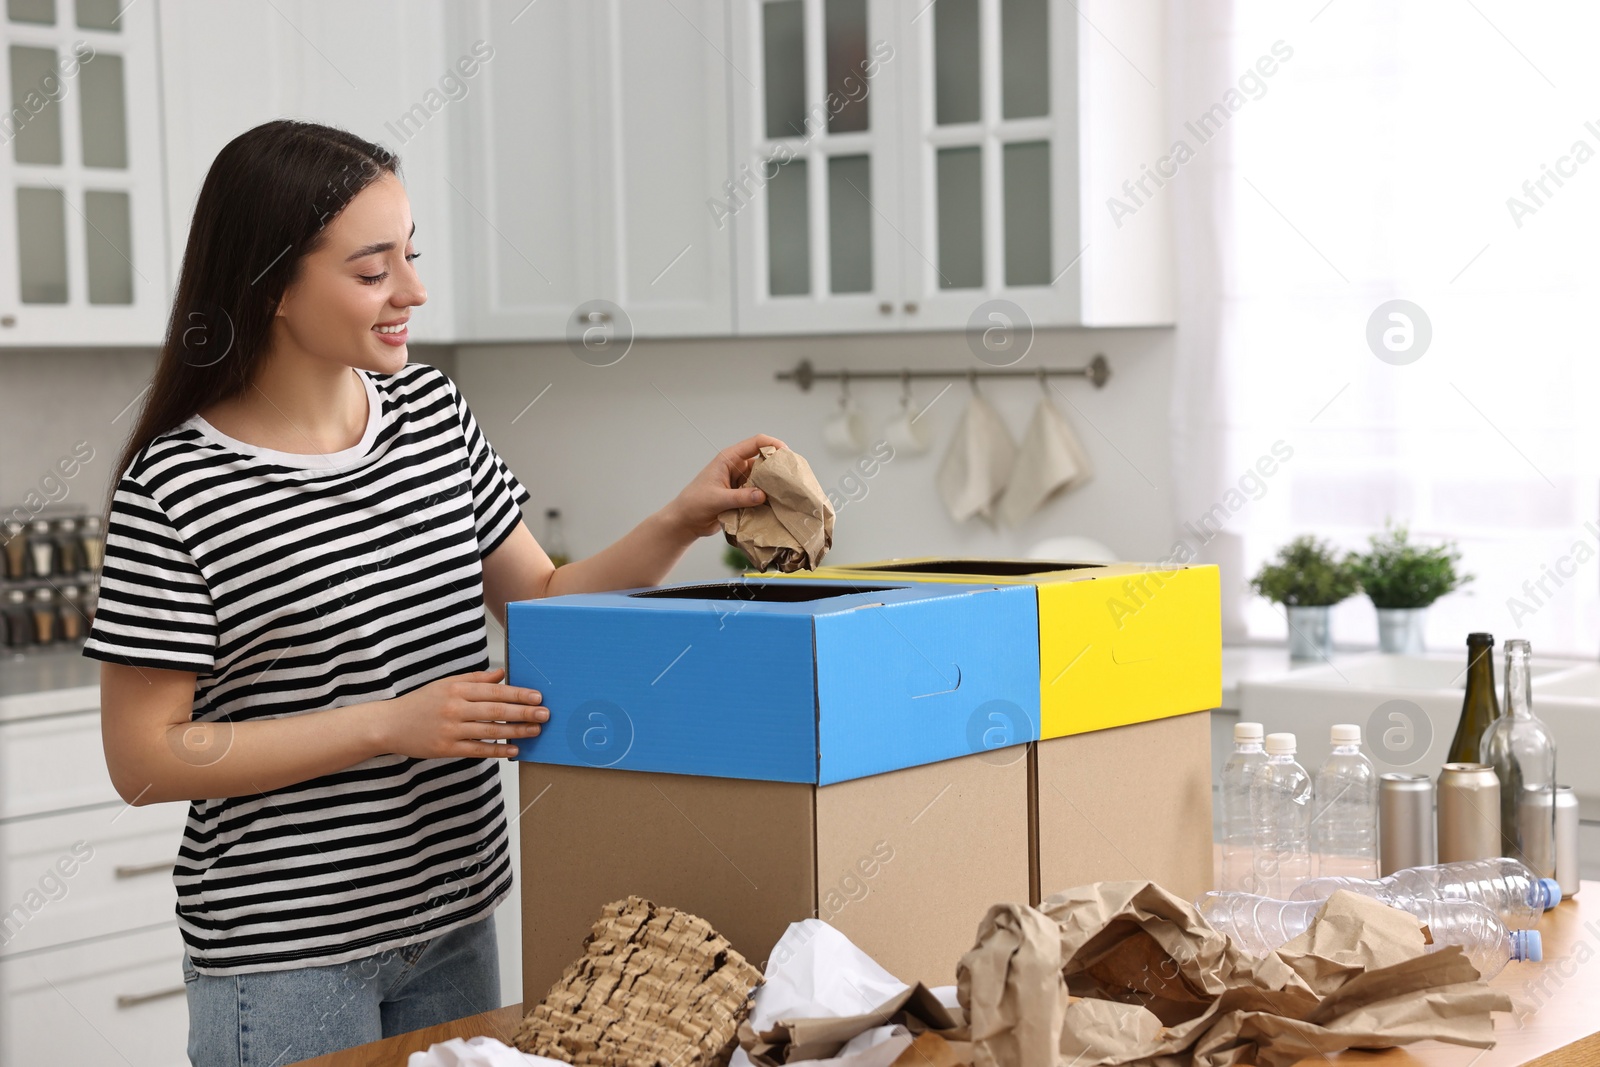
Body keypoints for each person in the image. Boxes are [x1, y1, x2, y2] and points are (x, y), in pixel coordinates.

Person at [84, 119, 784, 1067]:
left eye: (409, 257)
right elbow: (144, 758)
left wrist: (681, 518)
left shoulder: (431, 415)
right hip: (284, 952)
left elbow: (542, 592)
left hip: (454, 915)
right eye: (373, 272)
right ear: (273, 286)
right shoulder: (178, 487)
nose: (412, 290)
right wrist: (387, 722)